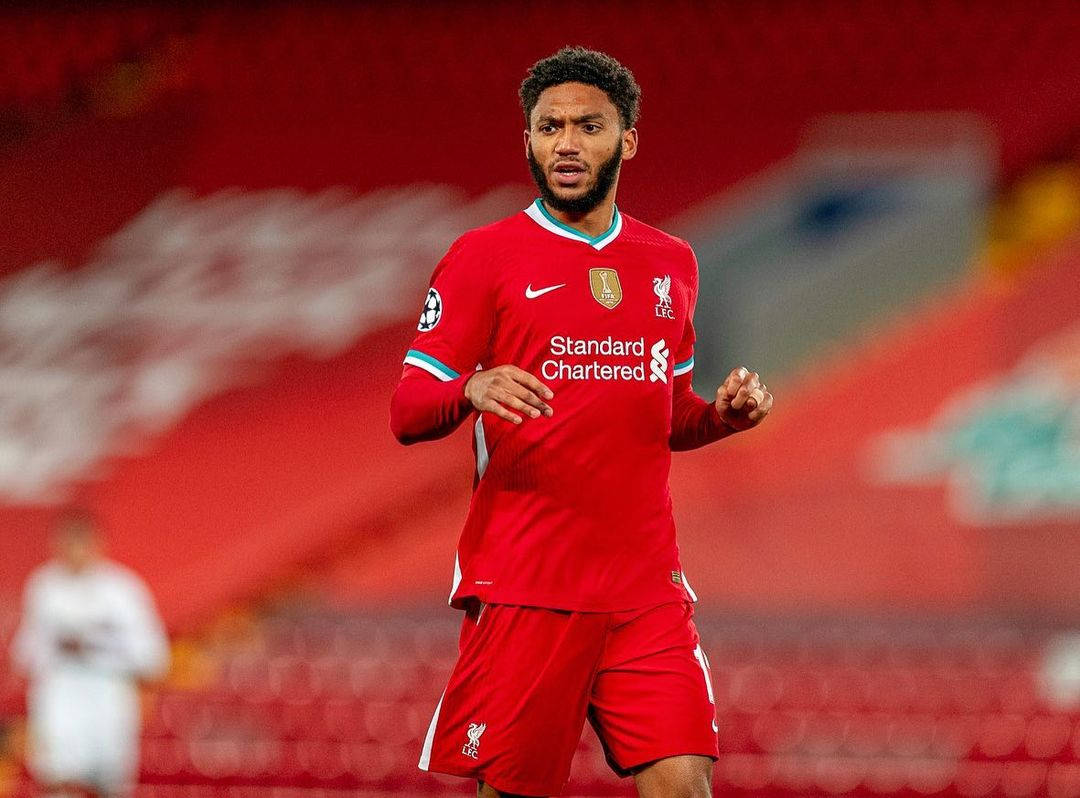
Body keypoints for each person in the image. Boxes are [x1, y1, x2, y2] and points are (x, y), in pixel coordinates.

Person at [389, 47, 774, 798]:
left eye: (588, 126)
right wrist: (471, 385)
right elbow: (406, 411)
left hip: (645, 589)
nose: (566, 142)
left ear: (627, 139)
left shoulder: (672, 262)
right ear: (527, 141)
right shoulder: (481, 257)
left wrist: (722, 417)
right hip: (528, 585)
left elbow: (668, 417)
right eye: (548, 127)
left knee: (685, 784)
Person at [10, 510, 169, 798]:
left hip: (107, 696)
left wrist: (97, 647)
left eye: (81, 542)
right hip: (59, 695)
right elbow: (25, 653)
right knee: (57, 778)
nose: (74, 552)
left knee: (109, 783)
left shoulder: (123, 590)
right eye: (67, 543)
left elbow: (153, 656)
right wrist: (57, 646)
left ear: (98, 543)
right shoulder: (44, 587)